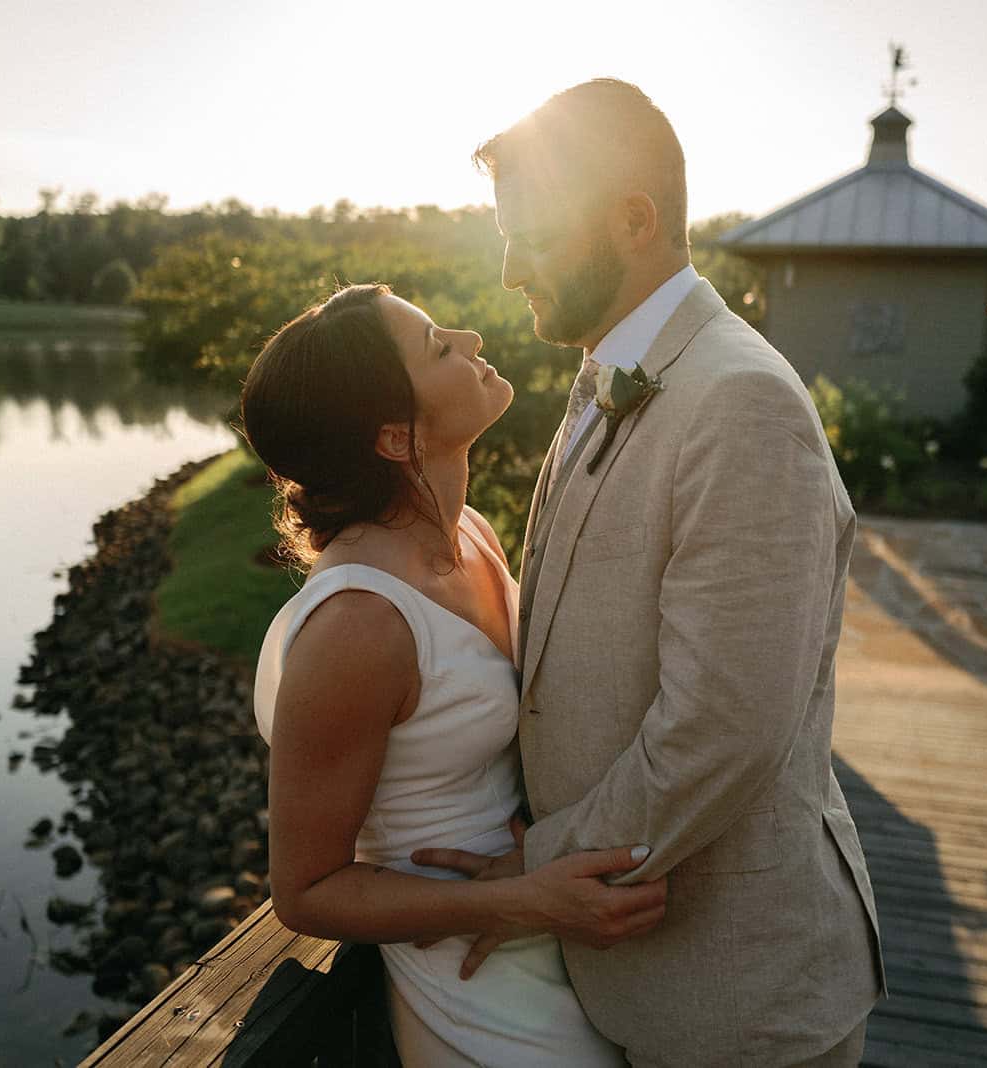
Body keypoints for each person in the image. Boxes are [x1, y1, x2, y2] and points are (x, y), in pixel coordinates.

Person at [413, 79, 886, 1066]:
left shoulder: (741, 403)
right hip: (633, 973)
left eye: (532, 236)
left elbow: (721, 729)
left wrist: (530, 872)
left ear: (633, 221)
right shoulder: (610, 375)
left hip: (736, 998)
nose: (507, 273)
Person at [243, 282, 669, 1066]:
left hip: (549, 920)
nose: (471, 338)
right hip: (470, 975)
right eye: (439, 345)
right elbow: (304, 891)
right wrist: (517, 903)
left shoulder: (469, 534)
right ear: (396, 440)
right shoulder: (358, 627)